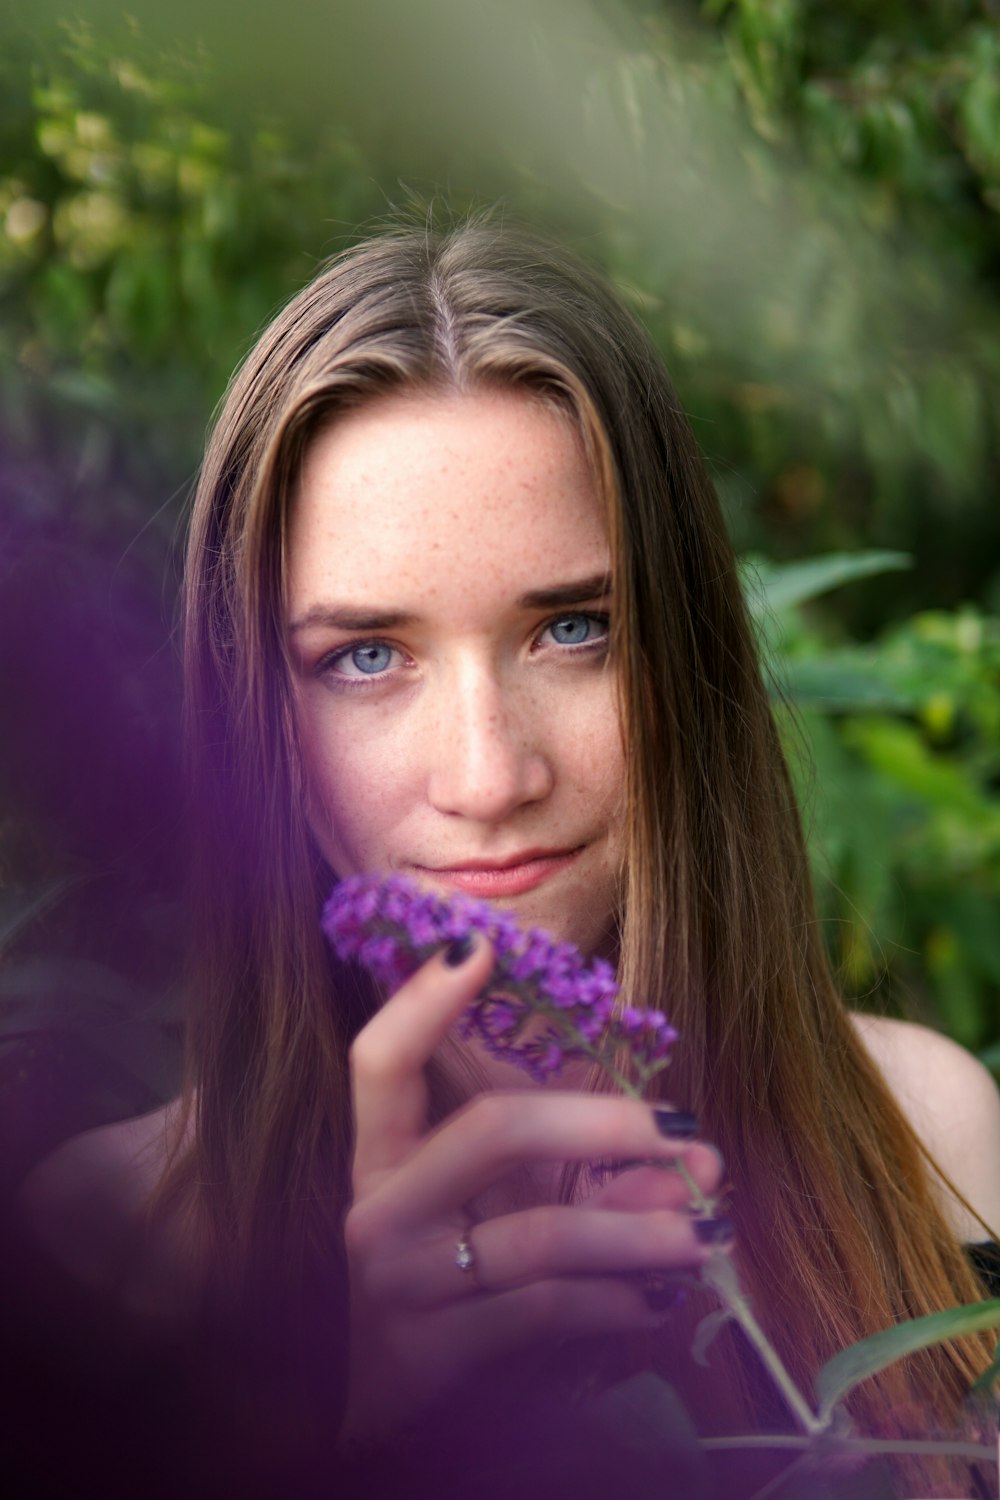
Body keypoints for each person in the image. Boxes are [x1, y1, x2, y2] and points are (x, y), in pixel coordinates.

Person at [20, 219, 1000, 1490]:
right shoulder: (97, 1258)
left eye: (576, 629)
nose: (489, 778)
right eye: (365, 657)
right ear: (257, 721)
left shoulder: (930, 1142)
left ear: (689, 660)